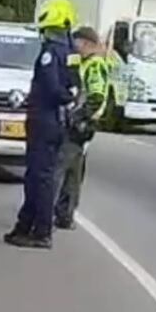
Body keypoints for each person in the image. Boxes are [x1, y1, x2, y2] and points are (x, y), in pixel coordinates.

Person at [4, 0, 80, 250]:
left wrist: (58, 98)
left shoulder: (50, 52)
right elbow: (74, 85)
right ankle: (25, 226)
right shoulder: (71, 52)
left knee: (39, 177)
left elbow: (50, 86)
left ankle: (40, 231)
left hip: (44, 119)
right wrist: (68, 100)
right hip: (57, 121)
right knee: (39, 176)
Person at [54, 26, 109, 230]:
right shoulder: (86, 63)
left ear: (86, 44)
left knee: (61, 169)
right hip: (83, 125)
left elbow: (96, 96)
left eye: (76, 42)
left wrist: (77, 117)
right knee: (73, 172)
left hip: (81, 124)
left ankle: (57, 212)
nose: (73, 46)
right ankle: (65, 215)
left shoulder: (94, 65)